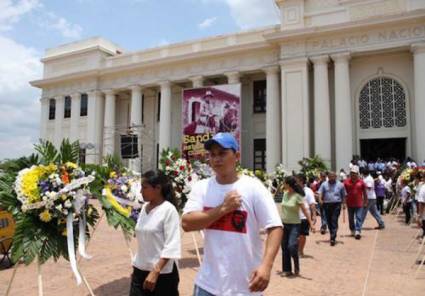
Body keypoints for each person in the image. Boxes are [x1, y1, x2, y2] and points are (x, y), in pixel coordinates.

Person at [182, 133, 283, 295]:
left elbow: (275, 227)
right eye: (212, 154)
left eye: (222, 153)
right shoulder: (202, 187)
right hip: (207, 285)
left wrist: (266, 266)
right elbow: (187, 223)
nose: (216, 159)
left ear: (236, 156)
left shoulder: (254, 188)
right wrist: (223, 209)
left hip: (245, 287)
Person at [130, 170, 181, 296]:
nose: (141, 191)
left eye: (144, 187)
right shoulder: (143, 209)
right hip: (140, 270)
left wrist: (155, 271)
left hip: (162, 274)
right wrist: (137, 269)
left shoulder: (168, 210)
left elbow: (172, 245)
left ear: (158, 188)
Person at [280, 176, 315, 276]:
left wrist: (311, 223)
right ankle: (287, 270)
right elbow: (282, 208)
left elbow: (305, 210)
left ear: (288, 184)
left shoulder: (297, 196)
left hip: (295, 224)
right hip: (284, 224)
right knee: (284, 247)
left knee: (291, 246)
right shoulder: (285, 194)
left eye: (284, 183)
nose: (283, 184)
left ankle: (296, 262)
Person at [318, 171, 347, 246]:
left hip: (336, 204)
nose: (331, 178)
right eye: (330, 177)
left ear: (336, 177)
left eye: (333, 176)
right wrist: (320, 199)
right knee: (328, 220)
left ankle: (333, 237)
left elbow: (344, 195)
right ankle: (332, 233)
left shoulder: (340, 185)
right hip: (326, 204)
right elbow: (320, 193)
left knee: (334, 220)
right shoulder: (324, 184)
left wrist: (344, 204)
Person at [295, 173, 317, 256]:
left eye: (296, 180)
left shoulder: (308, 191)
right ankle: (296, 250)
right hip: (294, 217)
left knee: (302, 235)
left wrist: (314, 216)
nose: (295, 182)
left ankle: (300, 251)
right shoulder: (293, 190)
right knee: (295, 236)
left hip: (304, 217)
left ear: (301, 181)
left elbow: (312, 204)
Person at [344, 166, 367, 240]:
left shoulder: (361, 182)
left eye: (354, 173)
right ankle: (352, 230)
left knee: (359, 217)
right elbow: (344, 193)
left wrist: (366, 202)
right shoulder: (346, 182)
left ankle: (358, 231)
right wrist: (343, 203)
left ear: (357, 174)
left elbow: (365, 193)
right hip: (349, 204)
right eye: (352, 173)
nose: (353, 175)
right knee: (350, 218)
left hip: (359, 203)